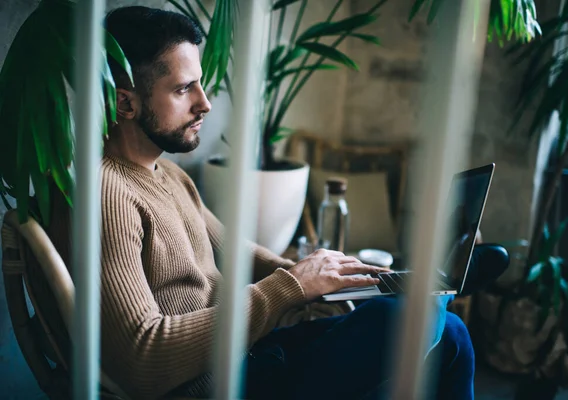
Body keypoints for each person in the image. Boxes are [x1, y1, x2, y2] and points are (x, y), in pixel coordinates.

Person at [47, 6, 506, 399]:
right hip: (219, 385)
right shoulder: (105, 194)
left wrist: (336, 275)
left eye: (201, 85)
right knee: (411, 318)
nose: (205, 104)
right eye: (184, 88)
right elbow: (142, 358)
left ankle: (425, 283)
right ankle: (436, 288)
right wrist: (291, 289)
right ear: (125, 103)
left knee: (450, 333)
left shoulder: (167, 173)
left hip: (254, 355)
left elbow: (239, 254)